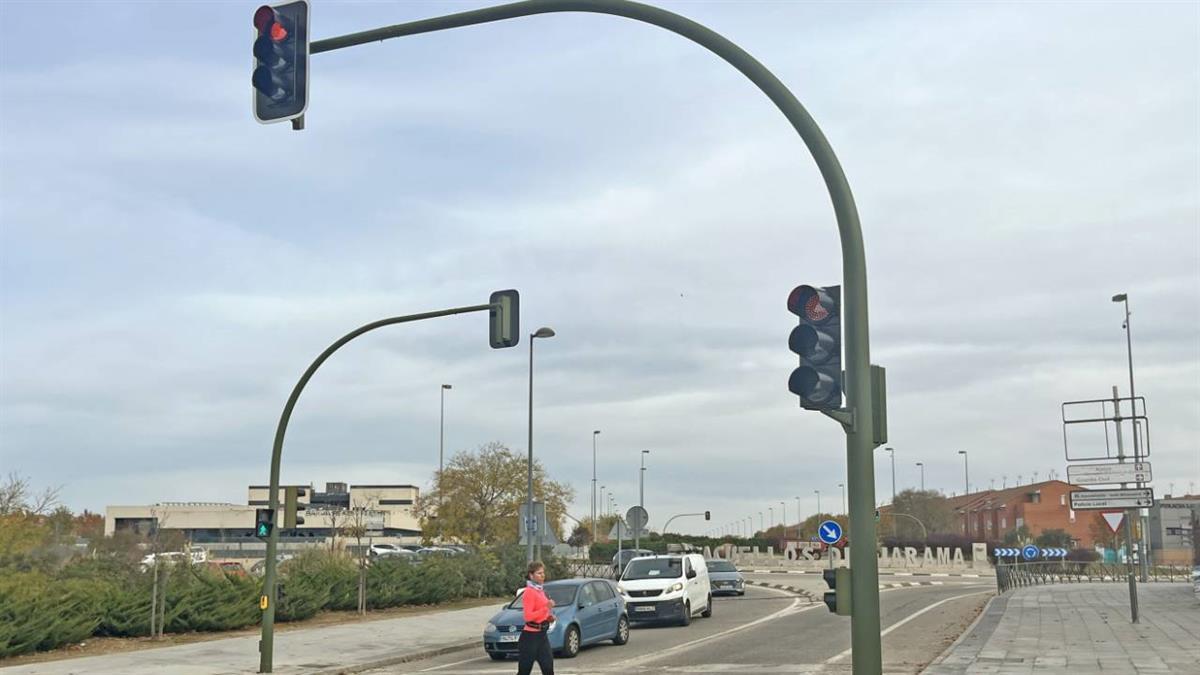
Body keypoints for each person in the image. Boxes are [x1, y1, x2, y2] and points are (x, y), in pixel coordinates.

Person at [516, 560, 555, 675]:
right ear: (531, 575)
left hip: (542, 636)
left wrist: (549, 617)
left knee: (548, 669)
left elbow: (542, 612)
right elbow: (528, 617)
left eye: (543, 573)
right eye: (539, 573)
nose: (542, 575)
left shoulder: (541, 590)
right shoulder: (529, 592)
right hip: (530, 638)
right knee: (524, 671)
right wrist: (546, 607)